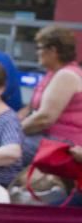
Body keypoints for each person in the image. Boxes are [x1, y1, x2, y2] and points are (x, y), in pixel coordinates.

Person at [19, 26, 82, 161]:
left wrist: (13, 131)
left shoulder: (67, 75)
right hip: (47, 139)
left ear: (53, 50)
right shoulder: (53, 73)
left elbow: (45, 119)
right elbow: (32, 109)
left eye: (39, 48)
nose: (37, 53)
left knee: (8, 149)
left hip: (63, 144)